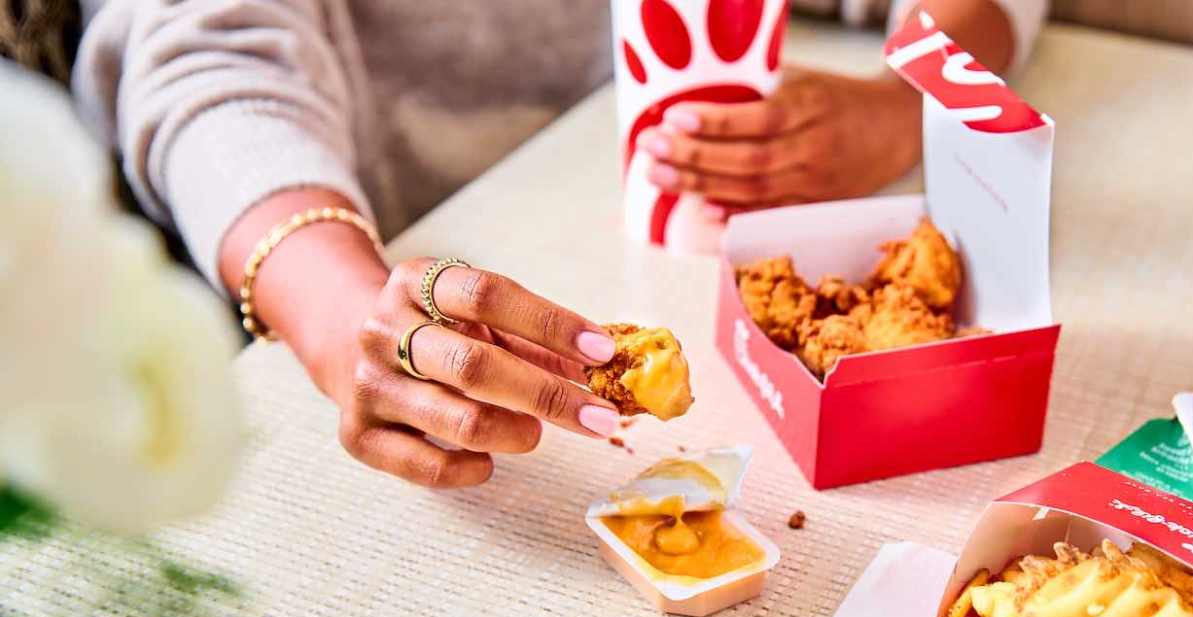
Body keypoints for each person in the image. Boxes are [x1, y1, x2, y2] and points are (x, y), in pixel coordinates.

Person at [59, 0, 1043, 488]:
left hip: (681, 250)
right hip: (382, 249)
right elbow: (200, 63)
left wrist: (900, 105)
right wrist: (339, 313)